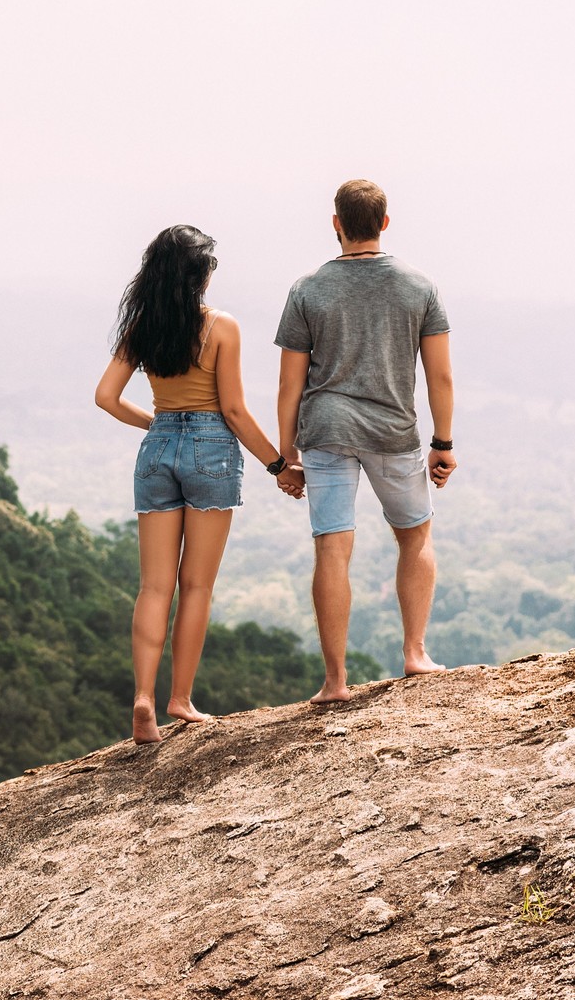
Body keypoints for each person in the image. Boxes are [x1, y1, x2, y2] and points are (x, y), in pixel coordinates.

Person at [96, 225, 290, 743]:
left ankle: (142, 699)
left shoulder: (141, 327)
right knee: (196, 586)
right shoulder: (221, 327)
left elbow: (106, 397)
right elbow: (232, 409)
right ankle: (179, 700)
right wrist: (278, 466)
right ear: (199, 275)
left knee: (153, 586)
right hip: (211, 452)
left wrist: (157, 426)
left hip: (157, 449)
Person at [274, 180, 457, 702]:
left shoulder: (307, 290)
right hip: (393, 431)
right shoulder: (419, 287)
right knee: (415, 536)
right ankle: (415, 653)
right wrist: (443, 443)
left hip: (325, 429)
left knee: (332, 547)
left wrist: (285, 453)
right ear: (385, 222)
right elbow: (439, 377)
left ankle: (334, 681)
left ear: (336, 223)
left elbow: (290, 383)